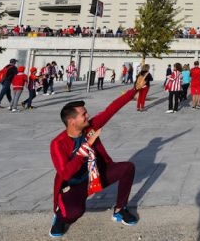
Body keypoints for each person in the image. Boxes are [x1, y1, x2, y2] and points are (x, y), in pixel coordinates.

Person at [48, 91, 138, 237]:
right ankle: (60, 216)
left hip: (96, 176)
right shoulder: (57, 144)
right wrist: (86, 147)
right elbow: (66, 173)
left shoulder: (90, 127)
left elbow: (111, 109)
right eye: (83, 114)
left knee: (128, 168)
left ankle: (120, 209)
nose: (88, 116)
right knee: (75, 213)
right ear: (72, 121)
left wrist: (134, 90)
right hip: (74, 185)